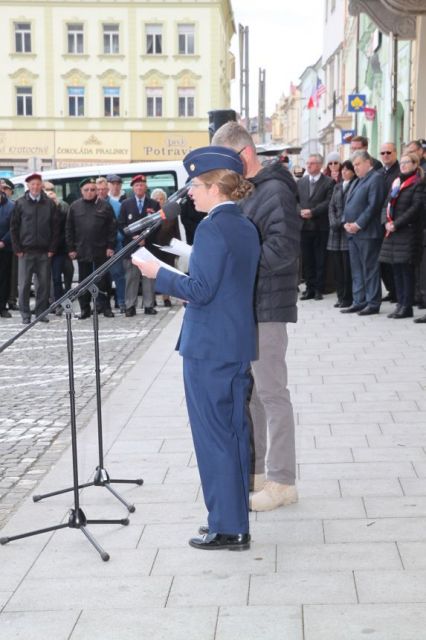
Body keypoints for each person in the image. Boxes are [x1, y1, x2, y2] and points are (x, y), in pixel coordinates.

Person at [133, 146, 260, 551]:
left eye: (195, 186)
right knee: (234, 433)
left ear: (215, 187)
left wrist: (159, 273)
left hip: (209, 347)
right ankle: (233, 519)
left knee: (214, 437)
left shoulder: (212, 228)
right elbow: (225, 282)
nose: (190, 194)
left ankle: (225, 525)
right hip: (233, 342)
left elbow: (200, 290)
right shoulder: (242, 224)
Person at [212, 120, 301, 512]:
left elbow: (283, 251)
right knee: (254, 397)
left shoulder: (276, 191)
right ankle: (259, 474)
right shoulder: (251, 191)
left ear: (244, 154)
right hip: (248, 305)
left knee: (273, 393)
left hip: (268, 306)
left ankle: (282, 482)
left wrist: (238, 264)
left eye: (226, 162)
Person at [379, 152, 425, 319]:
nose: (404, 165)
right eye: (403, 162)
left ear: (415, 165)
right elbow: (386, 204)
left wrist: (396, 224)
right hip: (392, 233)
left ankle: (407, 306)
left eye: (408, 162)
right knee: (396, 270)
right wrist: (386, 222)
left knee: (406, 271)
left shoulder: (417, 184)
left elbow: (415, 208)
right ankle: (400, 304)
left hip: (407, 233)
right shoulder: (397, 182)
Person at [10, 173, 59, 324]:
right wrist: (17, 248)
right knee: (24, 285)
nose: (35, 187)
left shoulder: (49, 204)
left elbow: (55, 228)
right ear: (28, 186)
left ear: (41, 185)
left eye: (38, 184)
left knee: (43, 284)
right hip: (25, 251)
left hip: (44, 252)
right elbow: (14, 227)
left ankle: (41, 313)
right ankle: (25, 315)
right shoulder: (20, 203)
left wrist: (52, 248)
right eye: (32, 184)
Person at [341, 151, 384, 315]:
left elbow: (373, 206)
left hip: (367, 233)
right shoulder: (358, 181)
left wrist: (358, 224)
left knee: (370, 268)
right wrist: (346, 222)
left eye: (358, 164)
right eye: (355, 165)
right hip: (352, 232)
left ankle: (373, 302)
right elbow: (350, 203)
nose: (355, 168)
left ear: (369, 162)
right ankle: (359, 300)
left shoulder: (376, 178)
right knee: (357, 269)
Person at [65, 177, 116, 319]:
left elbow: (112, 228)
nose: (89, 192)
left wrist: (110, 246)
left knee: (103, 280)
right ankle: (85, 309)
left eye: (92, 189)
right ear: (81, 191)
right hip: (82, 249)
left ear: (96, 191)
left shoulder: (105, 206)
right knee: (83, 281)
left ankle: (105, 307)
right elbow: (69, 229)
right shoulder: (74, 207)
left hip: (101, 249)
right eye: (86, 190)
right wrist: (71, 249)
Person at [118, 175, 160, 316]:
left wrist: (145, 239)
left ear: (146, 187)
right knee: (131, 277)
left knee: (148, 277)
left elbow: (158, 224)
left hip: (148, 247)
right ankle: (130, 306)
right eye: (137, 185)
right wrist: (133, 238)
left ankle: (149, 305)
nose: (139, 187)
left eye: (142, 185)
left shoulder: (153, 204)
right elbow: (121, 224)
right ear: (133, 188)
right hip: (132, 247)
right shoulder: (126, 204)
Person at [298, 153, 334, 300]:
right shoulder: (301, 182)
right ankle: (309, 288)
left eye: (312, 163)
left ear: (319, 165)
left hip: (320, 226)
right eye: (308, 163)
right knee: (307, 260)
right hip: (304, 227)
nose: (309, 165)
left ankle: (319, 289)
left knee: (320, 259)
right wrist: (299, 211)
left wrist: (313, 212)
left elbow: (328, 202)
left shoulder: (329, 182)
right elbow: (294, 200)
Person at [43, 181, 74, 315]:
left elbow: (68, 230)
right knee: (55, 278)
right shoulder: (44, 212)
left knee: (67, 277)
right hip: (51, 251)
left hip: (63, 250)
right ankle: (57, 302)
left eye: (53, 197)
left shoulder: (64, 208)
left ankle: (64, 301)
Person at [327, 160, 355, 308]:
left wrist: (340, 222)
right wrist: (333, 222)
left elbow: (351, 207)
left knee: (346, 267)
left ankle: (347, 297)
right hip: (335, 232)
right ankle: (340, 296)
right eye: (342, 170)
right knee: (337, 267)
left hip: (346, 229)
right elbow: (331, 206)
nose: (344, 172)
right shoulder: (337, 186)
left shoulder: (354, 185)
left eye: (347, 170)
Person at [96, 177, 125, 313]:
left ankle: (121, 302)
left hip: (115, 245)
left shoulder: (117, 205)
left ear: (108, 190)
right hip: (96, 247)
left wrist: (115, 240)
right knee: (98, 277)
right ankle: (100, 303)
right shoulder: (91, 204)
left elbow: (120, 226)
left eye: (104, 189)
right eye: (99, 189)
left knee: (118, 274)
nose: (101, 192)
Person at [150, 188, 181, 307]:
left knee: (166, 274)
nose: (159, 201)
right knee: (153, 274)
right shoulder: (151, 214)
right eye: (156, 199)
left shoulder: (171, 213)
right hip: (154, 248)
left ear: (165, 200)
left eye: (161, 198)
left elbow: (176, 231)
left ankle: (166, 297)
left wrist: (177, 248)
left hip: (168, 248)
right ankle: (151, 298)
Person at [378, 142, 400, 303]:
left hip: (393, 221)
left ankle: (398, 292)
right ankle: (392, 290)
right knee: (383, 261)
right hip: (379, 222)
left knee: (394, 261)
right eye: (383, 153)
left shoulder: (400, 172)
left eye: (388, 152)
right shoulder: (380, 172)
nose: (385, 155)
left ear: (395, 153)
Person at [0, 182, 14, 318]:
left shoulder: (11, 206)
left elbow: (13, 227)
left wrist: (4, 241)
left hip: (5, 248)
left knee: (4, 279)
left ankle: (2, 307)